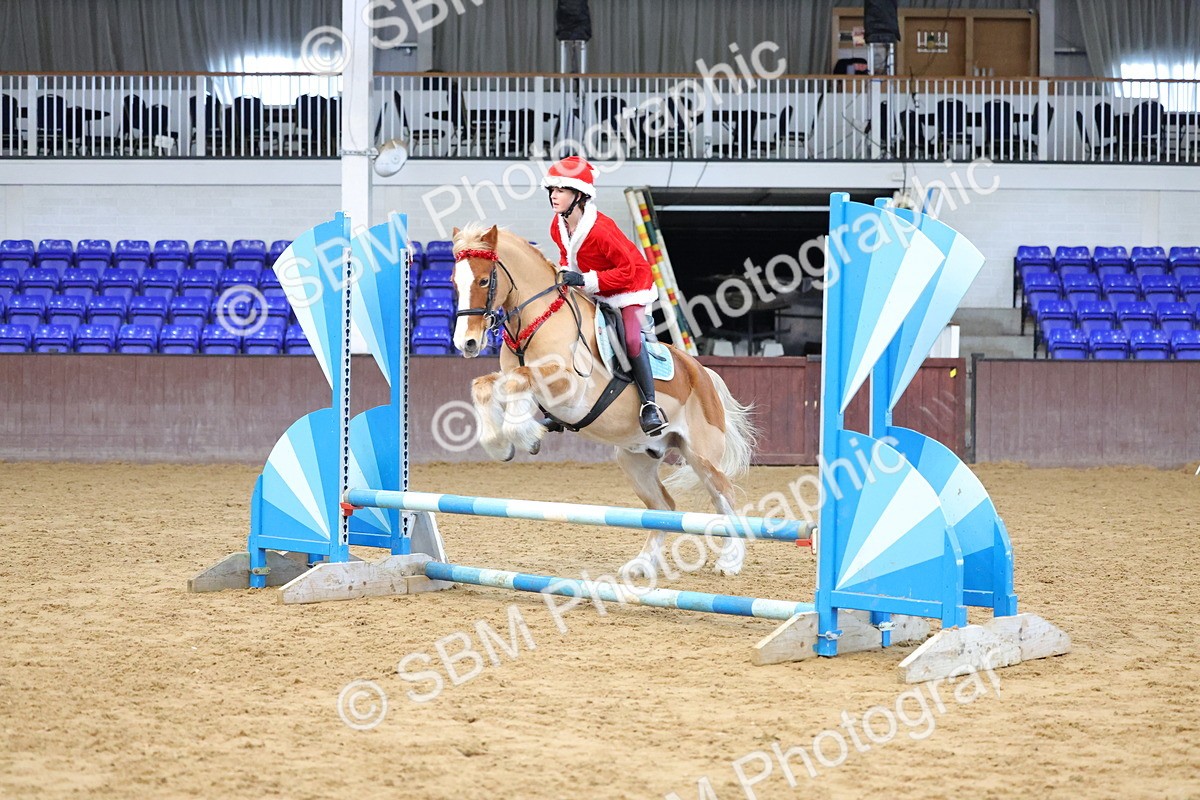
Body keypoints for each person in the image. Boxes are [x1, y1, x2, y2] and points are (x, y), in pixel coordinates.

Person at [541, 155, 667, 436]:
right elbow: (566, 257)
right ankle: (559, 409)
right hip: (595, 288)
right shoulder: (557, 225)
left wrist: (584, 280)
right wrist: (565, 276)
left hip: (630, 289)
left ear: (579, 195)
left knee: (632, 340)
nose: (554, 195)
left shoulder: (601, 230)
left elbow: (628, 271)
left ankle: (650, 405)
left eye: (561, 190)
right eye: (552, 189)